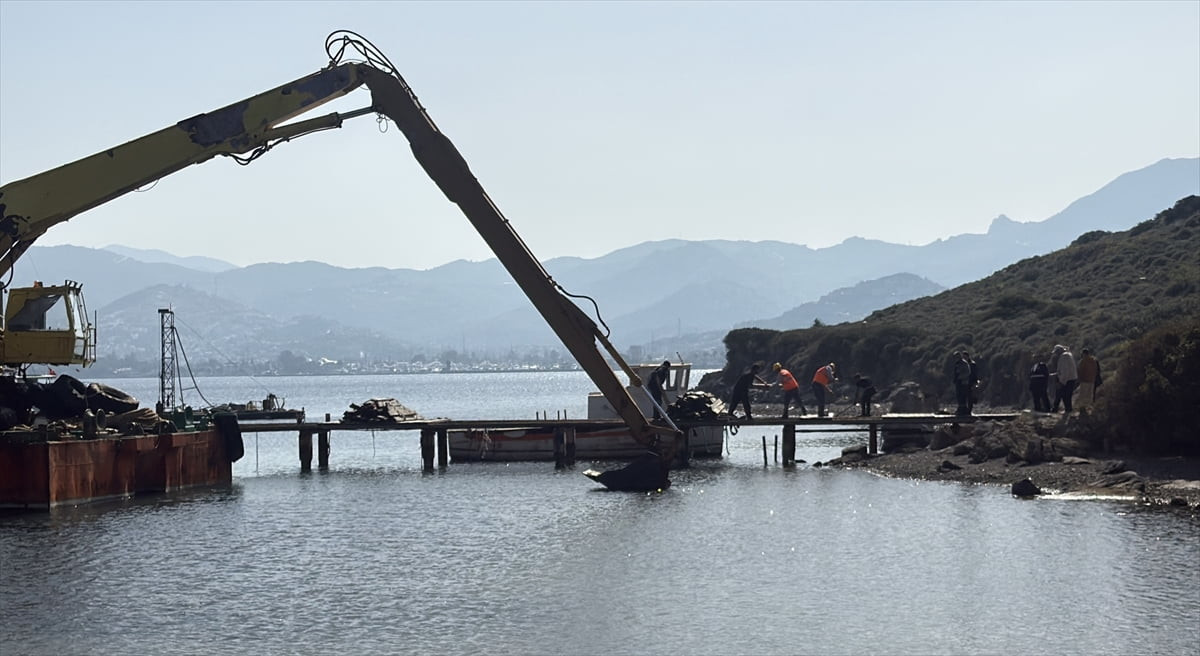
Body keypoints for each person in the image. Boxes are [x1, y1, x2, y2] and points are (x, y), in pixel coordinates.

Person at [1050, 344, 1078, 413]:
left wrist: (1061, 382)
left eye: (1056, 352)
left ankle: (1057, 409)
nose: (1056, 354)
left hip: (1067, 379)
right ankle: (1068, 409)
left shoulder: (1064, 357)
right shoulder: (1068, 355)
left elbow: (1065, 371)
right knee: (1066, 395)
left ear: (1059, 351)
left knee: (1062, 395)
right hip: (1071, 378)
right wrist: (1055, 374)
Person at [953, 351, 972, 416]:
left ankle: (964, 410)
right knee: (958, 396)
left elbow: (968, 372)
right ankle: (960, 409)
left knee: (963, 396)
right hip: (958, 382)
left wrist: (960, 377)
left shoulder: (964, 363)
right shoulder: (956, 363)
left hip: (963, 382)